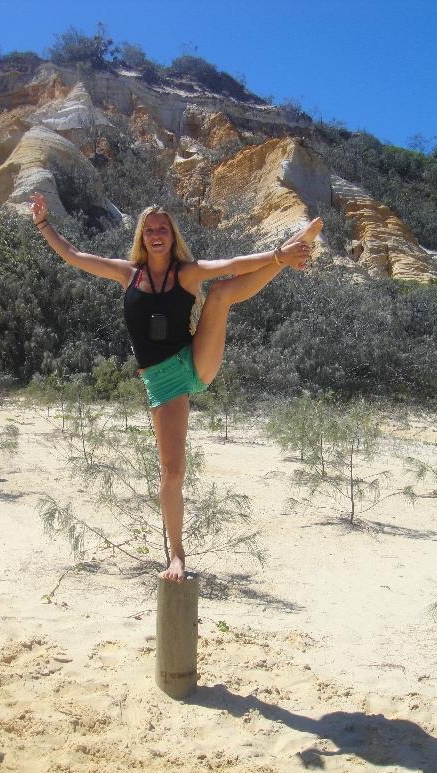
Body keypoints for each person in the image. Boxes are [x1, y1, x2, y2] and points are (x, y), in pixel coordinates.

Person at [29, 191, 323, 582]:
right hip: (163, 381)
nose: (156, 234)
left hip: (195, 360)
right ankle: (177, 555)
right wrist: (43, 224)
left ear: (172, 235)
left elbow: (231, 265)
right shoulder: (127, 274)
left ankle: (286, 256)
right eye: (149, 229)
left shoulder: (186, 273)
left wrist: (273, 257)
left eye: (162, 229)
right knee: (172, 472)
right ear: (141, 236)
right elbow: (75, 255)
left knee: (221, 293)